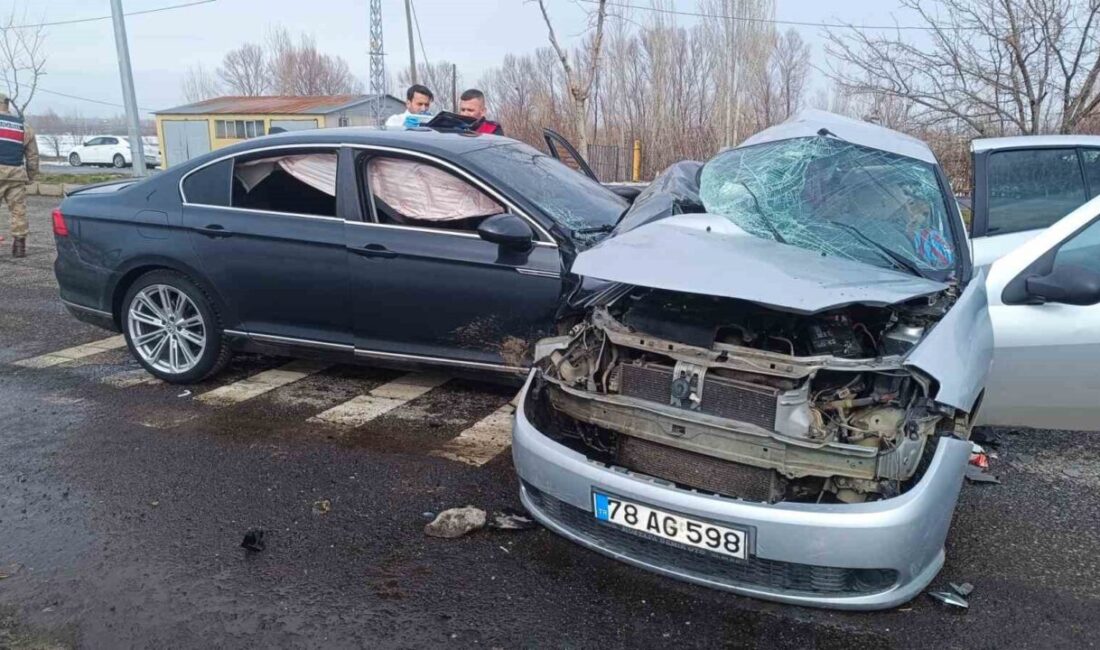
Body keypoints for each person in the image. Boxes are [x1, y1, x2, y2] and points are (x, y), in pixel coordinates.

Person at [0, 93, 37, 258]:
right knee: (18, 210)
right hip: (16, 174)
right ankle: (19, 247)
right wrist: (31, 175)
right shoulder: (24, 126)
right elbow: (32, 156)